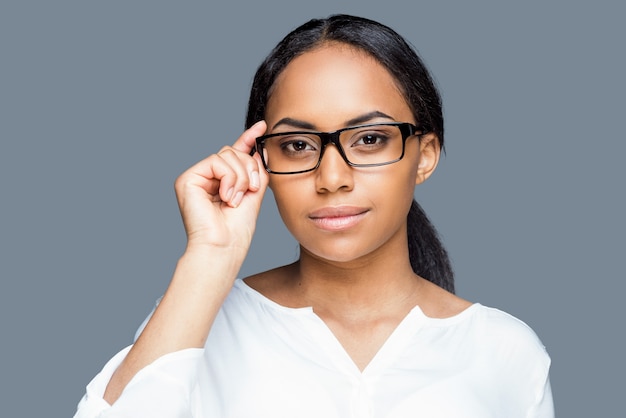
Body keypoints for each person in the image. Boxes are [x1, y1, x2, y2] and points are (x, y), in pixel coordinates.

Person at [74, 14, 553, 417]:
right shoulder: (196, 323)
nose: (331, 178)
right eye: (298, 145)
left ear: (424, 155)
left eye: (369, 139)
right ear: (261, 161)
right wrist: (209, 258)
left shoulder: (504, 351)